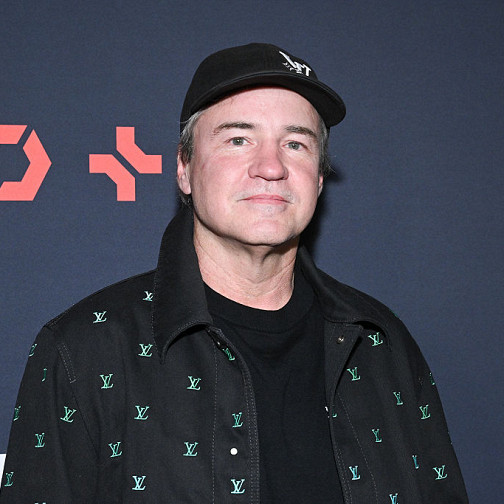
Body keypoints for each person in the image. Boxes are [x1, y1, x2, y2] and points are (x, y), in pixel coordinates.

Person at [0, 43, 468, 503]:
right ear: (184, 168)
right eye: (238, 139)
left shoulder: (381, 342)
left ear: (320, 178)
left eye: (295, 144)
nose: (271, 167)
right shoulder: (85, 349)